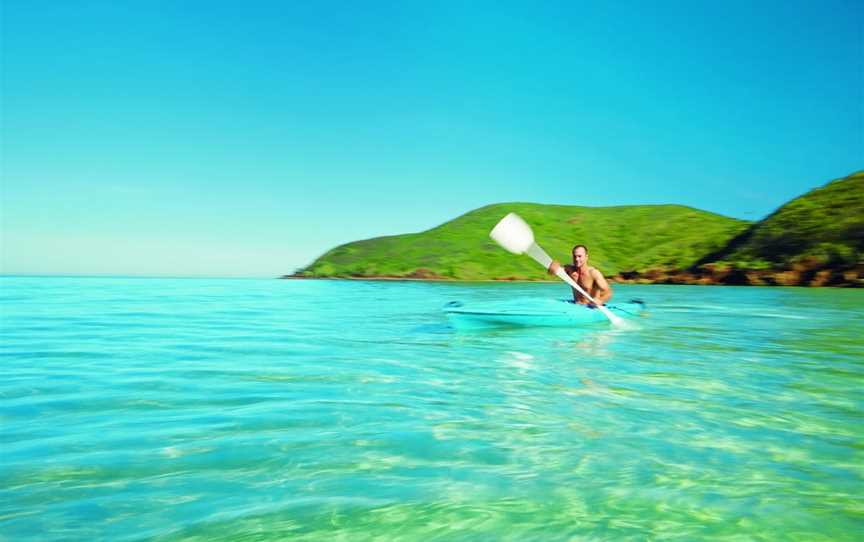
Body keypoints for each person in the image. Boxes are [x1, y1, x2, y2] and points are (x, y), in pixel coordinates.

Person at [548, 244, 613, 305]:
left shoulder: (593, 273)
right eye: (574, 256)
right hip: (576, 306)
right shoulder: (569, 270)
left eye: (579, 256)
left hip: (591, 308)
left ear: (586, 257)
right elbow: (551, 272)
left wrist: (600, 300)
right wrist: (554, 264)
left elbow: (608, 292)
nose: (577, 259)